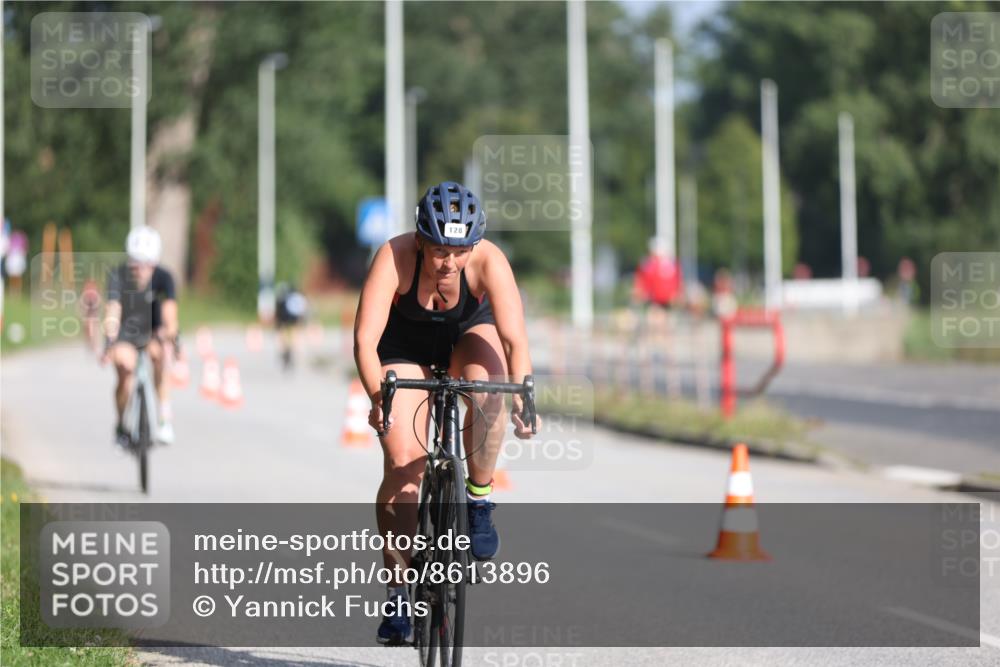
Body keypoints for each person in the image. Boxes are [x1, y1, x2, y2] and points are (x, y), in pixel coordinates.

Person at [353, 181, 536, 644]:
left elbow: (514, 339)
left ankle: (477, 497)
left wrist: (525, 395)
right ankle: (398, 590)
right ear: (420, 241)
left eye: (459, 251)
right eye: (438, 251)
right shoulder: (393, 257)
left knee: (489, 388)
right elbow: (364, 341)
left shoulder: (489, 261)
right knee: (402, 464)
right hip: (403, 346)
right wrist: (379, 400)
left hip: (466, 336)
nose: (448, 263)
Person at [101, 226, 179, 447]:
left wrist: (170, 336)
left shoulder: (164, 278)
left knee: (161, 357)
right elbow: (113, 310)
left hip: (153, 329)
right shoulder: (118, 276)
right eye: (136, 264)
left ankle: (164, 420)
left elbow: (170, 314)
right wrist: (110, 339)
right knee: (125, 371)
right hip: (126, 330)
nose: (141, 270)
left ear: (154, 263)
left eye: (147, 265)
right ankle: (121, 424)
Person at [275, 282, 308, 371]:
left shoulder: (282, 298)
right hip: (294, 317)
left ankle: (284, 350)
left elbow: (278, 312)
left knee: (282, 331)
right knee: (295, 332)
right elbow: (302, 311)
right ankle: (294, 350)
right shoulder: (298, 297)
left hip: (283, 317)